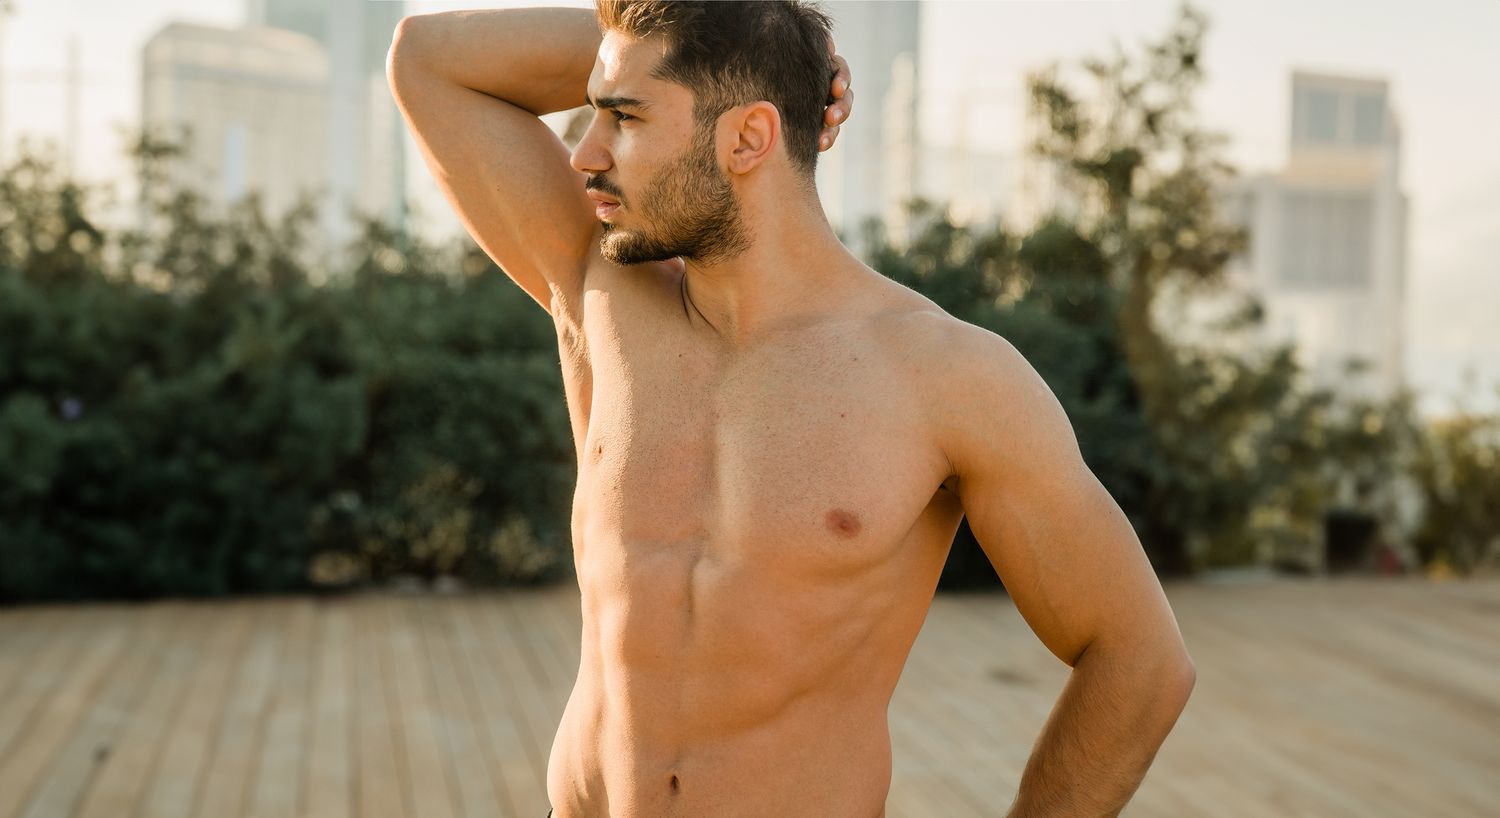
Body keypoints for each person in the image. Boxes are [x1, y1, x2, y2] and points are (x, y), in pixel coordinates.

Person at [387, 2, 1196, 816]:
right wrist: (769, 50)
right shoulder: (601, 290)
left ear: (747, 139)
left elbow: (1138, 659)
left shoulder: (945, 376)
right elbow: (428, 57)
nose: (586, 154)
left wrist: (766, 61)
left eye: (624, 118)